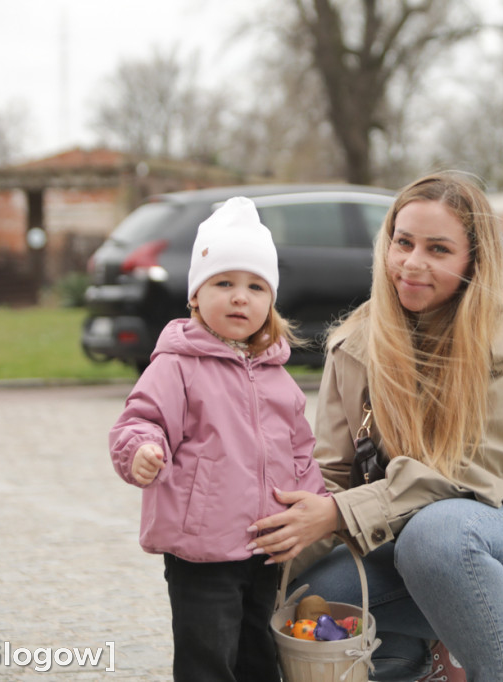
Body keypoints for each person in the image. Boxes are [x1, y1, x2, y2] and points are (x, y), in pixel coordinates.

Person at [247, 172, 503, 682]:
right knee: (302, 605)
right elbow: (331, 477)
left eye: (438, 249)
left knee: (439, 534)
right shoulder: (358, 343)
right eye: (403, 242)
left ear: (473, 261)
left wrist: (339, 512)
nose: (412, 263)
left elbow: (476, 476)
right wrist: (264, 556)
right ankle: (417, 661)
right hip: (408, 543)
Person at [109, 196, 327, 682]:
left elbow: (300, 452)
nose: (239, 297)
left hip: (265, 548)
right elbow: (140, 420)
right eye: (223, 283)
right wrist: (142, 450)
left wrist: (314, 508)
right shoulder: (177, 366)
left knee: (259, 656)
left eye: (254, 286)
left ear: (270, 300)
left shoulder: (277, 377)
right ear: (195, 296)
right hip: (201, 549)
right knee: (206, 657)